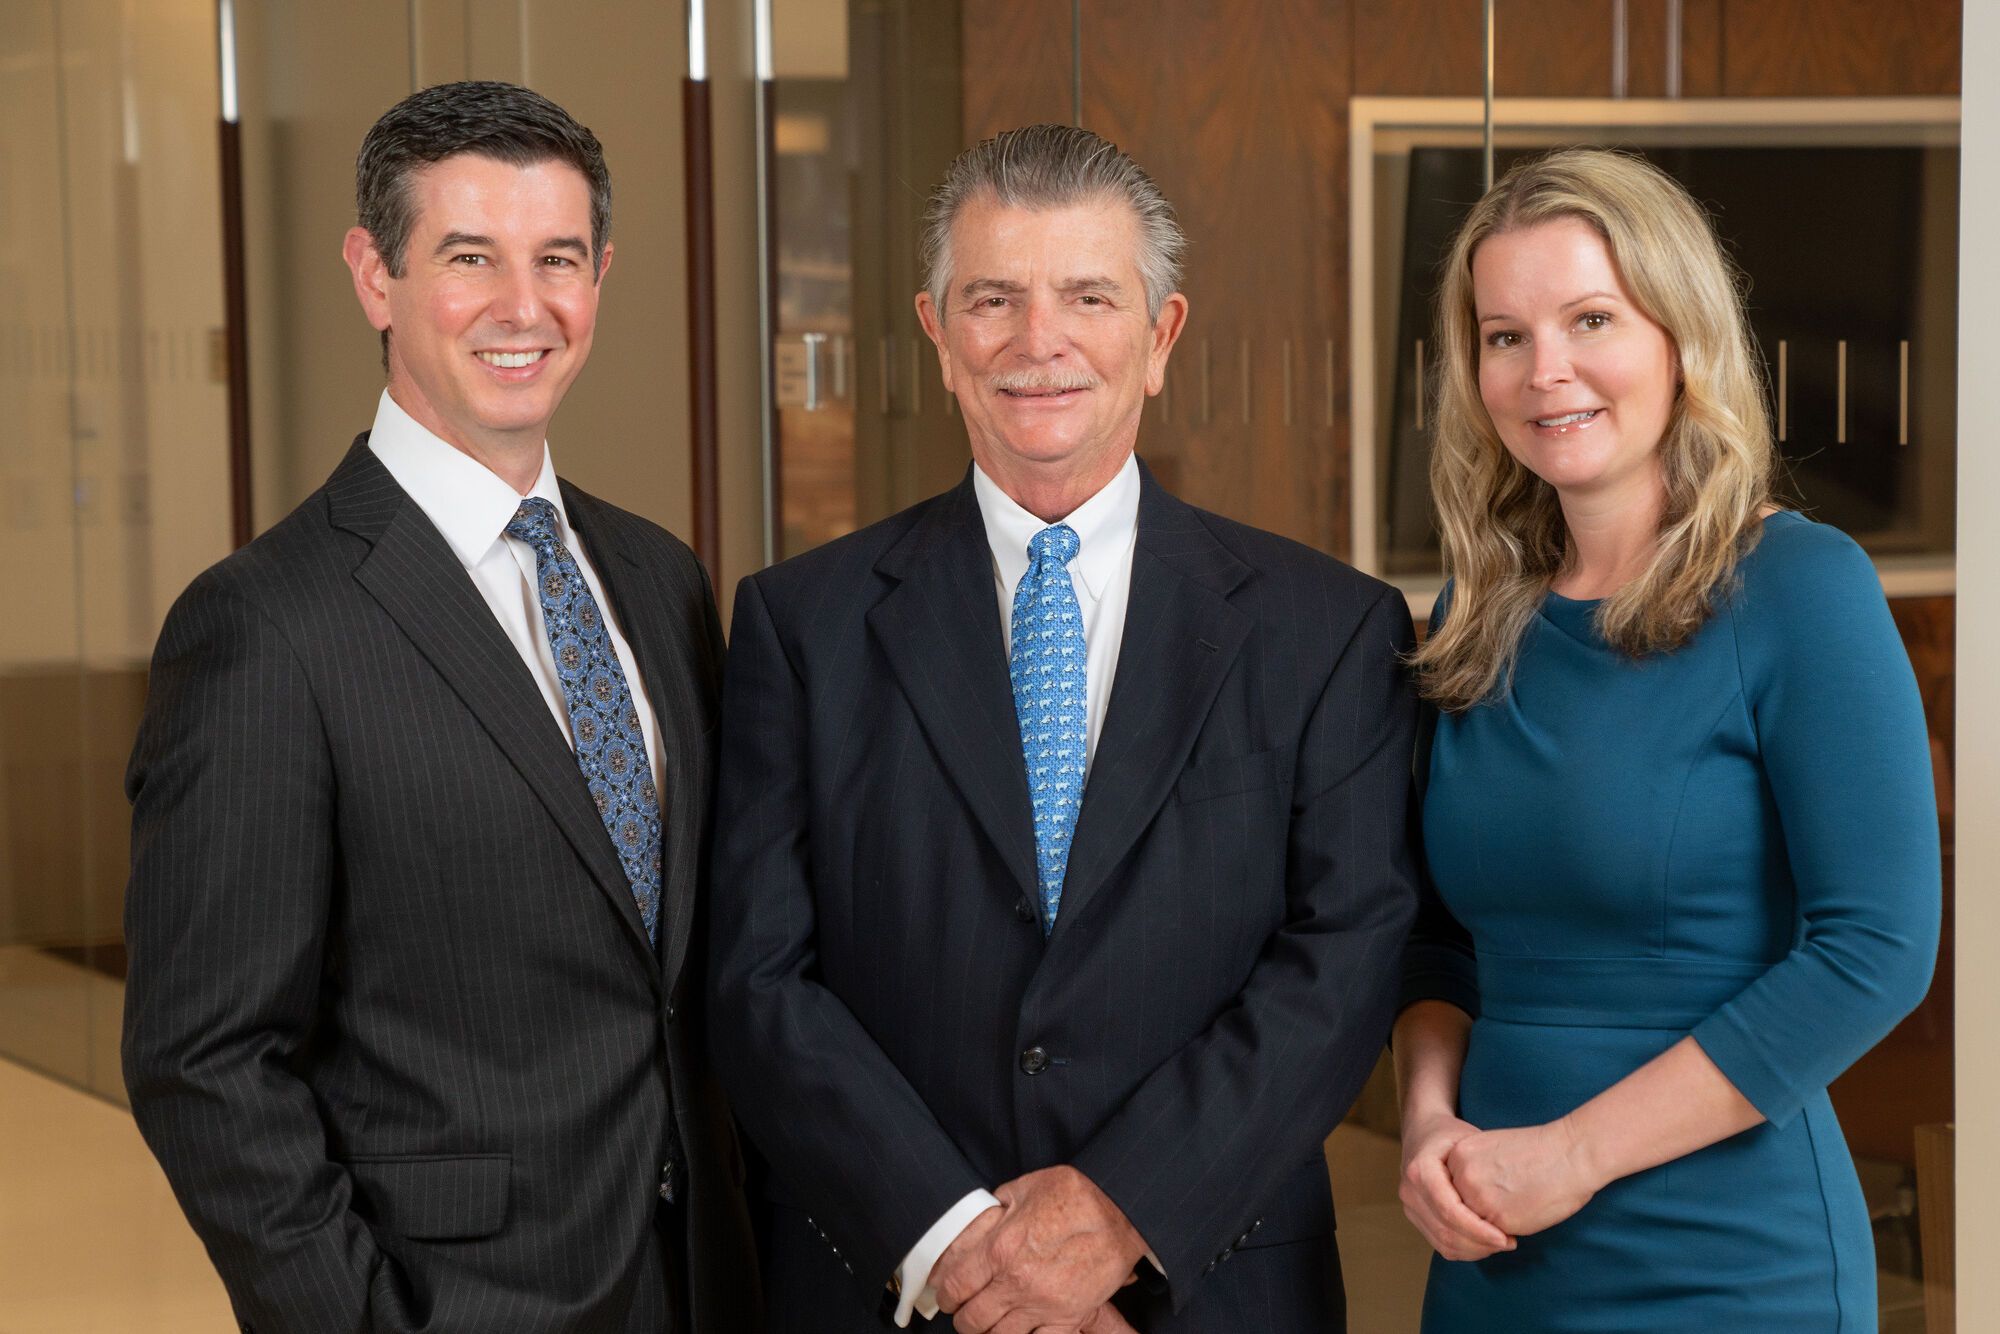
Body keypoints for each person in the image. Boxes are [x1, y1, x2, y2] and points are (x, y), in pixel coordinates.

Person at [707, 122, 1419, 1334]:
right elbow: (758, 979)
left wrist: (1116, 1213)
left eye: (1088, 296)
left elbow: (1343, 959)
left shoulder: (1327, 629)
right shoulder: (799, 625)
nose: (1038, 340)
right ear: (938, 336)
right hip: (900, 1288)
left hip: (1210, 1286)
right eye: (992, 298)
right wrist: (961, 1249)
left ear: (1161, 336)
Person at [122, 81, 757, 1334]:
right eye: (470, 258)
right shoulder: (263, 625)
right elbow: (204, 1060)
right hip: (451, 1299)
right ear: (376, 277)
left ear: (600, 276)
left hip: (704, 1280)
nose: (524, 306)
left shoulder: (659, 578)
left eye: (557, 258)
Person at [1394, 147, 1941, 1331]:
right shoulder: (1472, 611)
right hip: (1488, 1247)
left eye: (1589, 318)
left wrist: (1572, 1155)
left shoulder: (1799, 585)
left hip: (1727, 1261)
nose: (1544, 370)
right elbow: (1438, 939)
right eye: (1503, 335)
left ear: (1678, 333)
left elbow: (1877, 947)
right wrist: (1427, 1120)